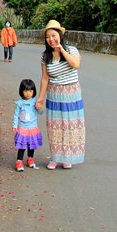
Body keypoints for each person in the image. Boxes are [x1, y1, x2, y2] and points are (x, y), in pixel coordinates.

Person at [35, 20, 85, 169]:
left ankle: (67, 157)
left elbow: (76, 65)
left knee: (70, 125)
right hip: (55, 93)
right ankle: (55, 158)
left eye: (54, 36)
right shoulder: (45, 56)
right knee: (55, 126)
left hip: (71, 92)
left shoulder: (71, 50)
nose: (51, 39)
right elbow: (45, 78)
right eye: (48, 37)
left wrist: (61, 50)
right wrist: (40, 98)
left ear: (60, 36)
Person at [12, 78, 43, 171]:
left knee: (31, 145)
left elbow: (40, 112)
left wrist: (39, 107)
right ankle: (19, 161)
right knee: (22, 145)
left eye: (30, 91)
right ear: (22, 91)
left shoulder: (34, 102)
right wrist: (14, 125)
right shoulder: (20, 103)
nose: (28, 93)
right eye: (26, 91)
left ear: (33, 91)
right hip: (23, 128)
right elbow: (16, 115)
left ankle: (30, 158)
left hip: (33, 127)